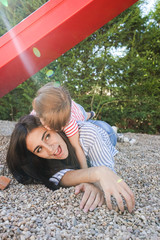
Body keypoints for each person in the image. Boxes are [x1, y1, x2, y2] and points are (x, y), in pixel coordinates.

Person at [6, 115, 135, 213]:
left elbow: (108, 174)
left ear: (54, 128)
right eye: (39, 149)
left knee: (108, 130)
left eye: (47, 136)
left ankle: (99, 121)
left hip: (103, 131)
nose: (50, 149)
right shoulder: (45, 161)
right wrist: (92, 176)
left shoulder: (88, 135)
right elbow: (60, 177)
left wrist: (100, 176)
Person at [31, 82, 95, 169]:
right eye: (45, 122)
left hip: (79, 111)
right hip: (68, 105)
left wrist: (85, 171)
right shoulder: (39, 110)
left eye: (52, 126)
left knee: (85, 116)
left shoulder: (69, 124)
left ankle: (91, 114)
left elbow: (77, 147)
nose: (47, 127)